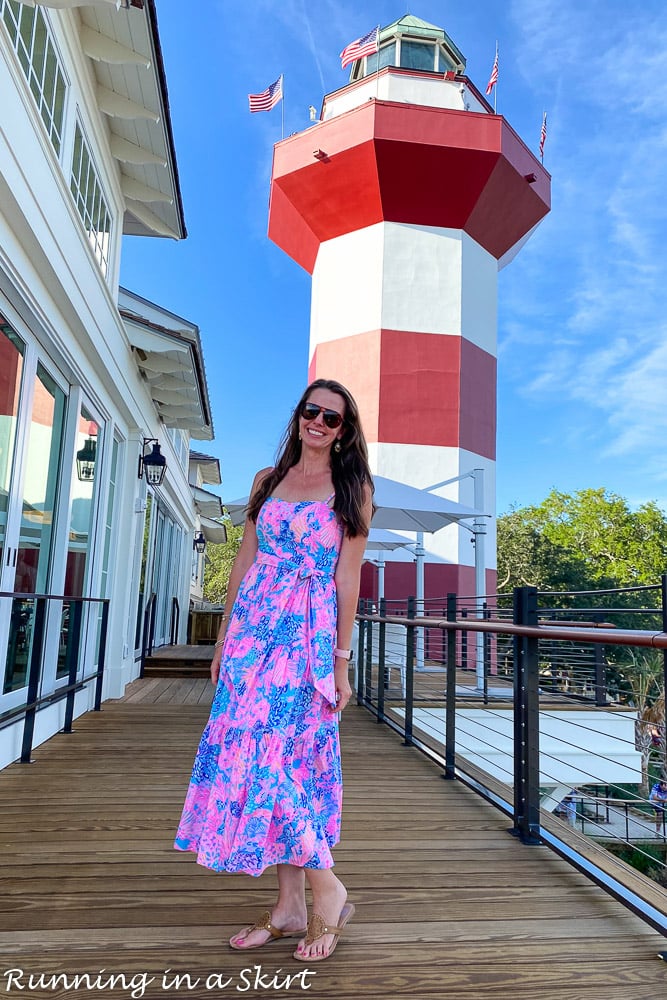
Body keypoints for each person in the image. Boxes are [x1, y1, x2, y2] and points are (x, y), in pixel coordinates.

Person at [175, 379, 373, 963]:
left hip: (305, 642)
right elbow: (245, 558)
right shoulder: (267, 481)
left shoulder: (352, 489)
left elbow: (348, 579)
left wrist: (341, 662)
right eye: (311, 411)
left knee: (281, 763)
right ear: (299, 416)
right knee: (249, 755)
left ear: (344, 432)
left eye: (332, 418)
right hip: (251, 638)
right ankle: (290, 907)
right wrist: (224, 636)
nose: (319, 422)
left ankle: (327, 889)